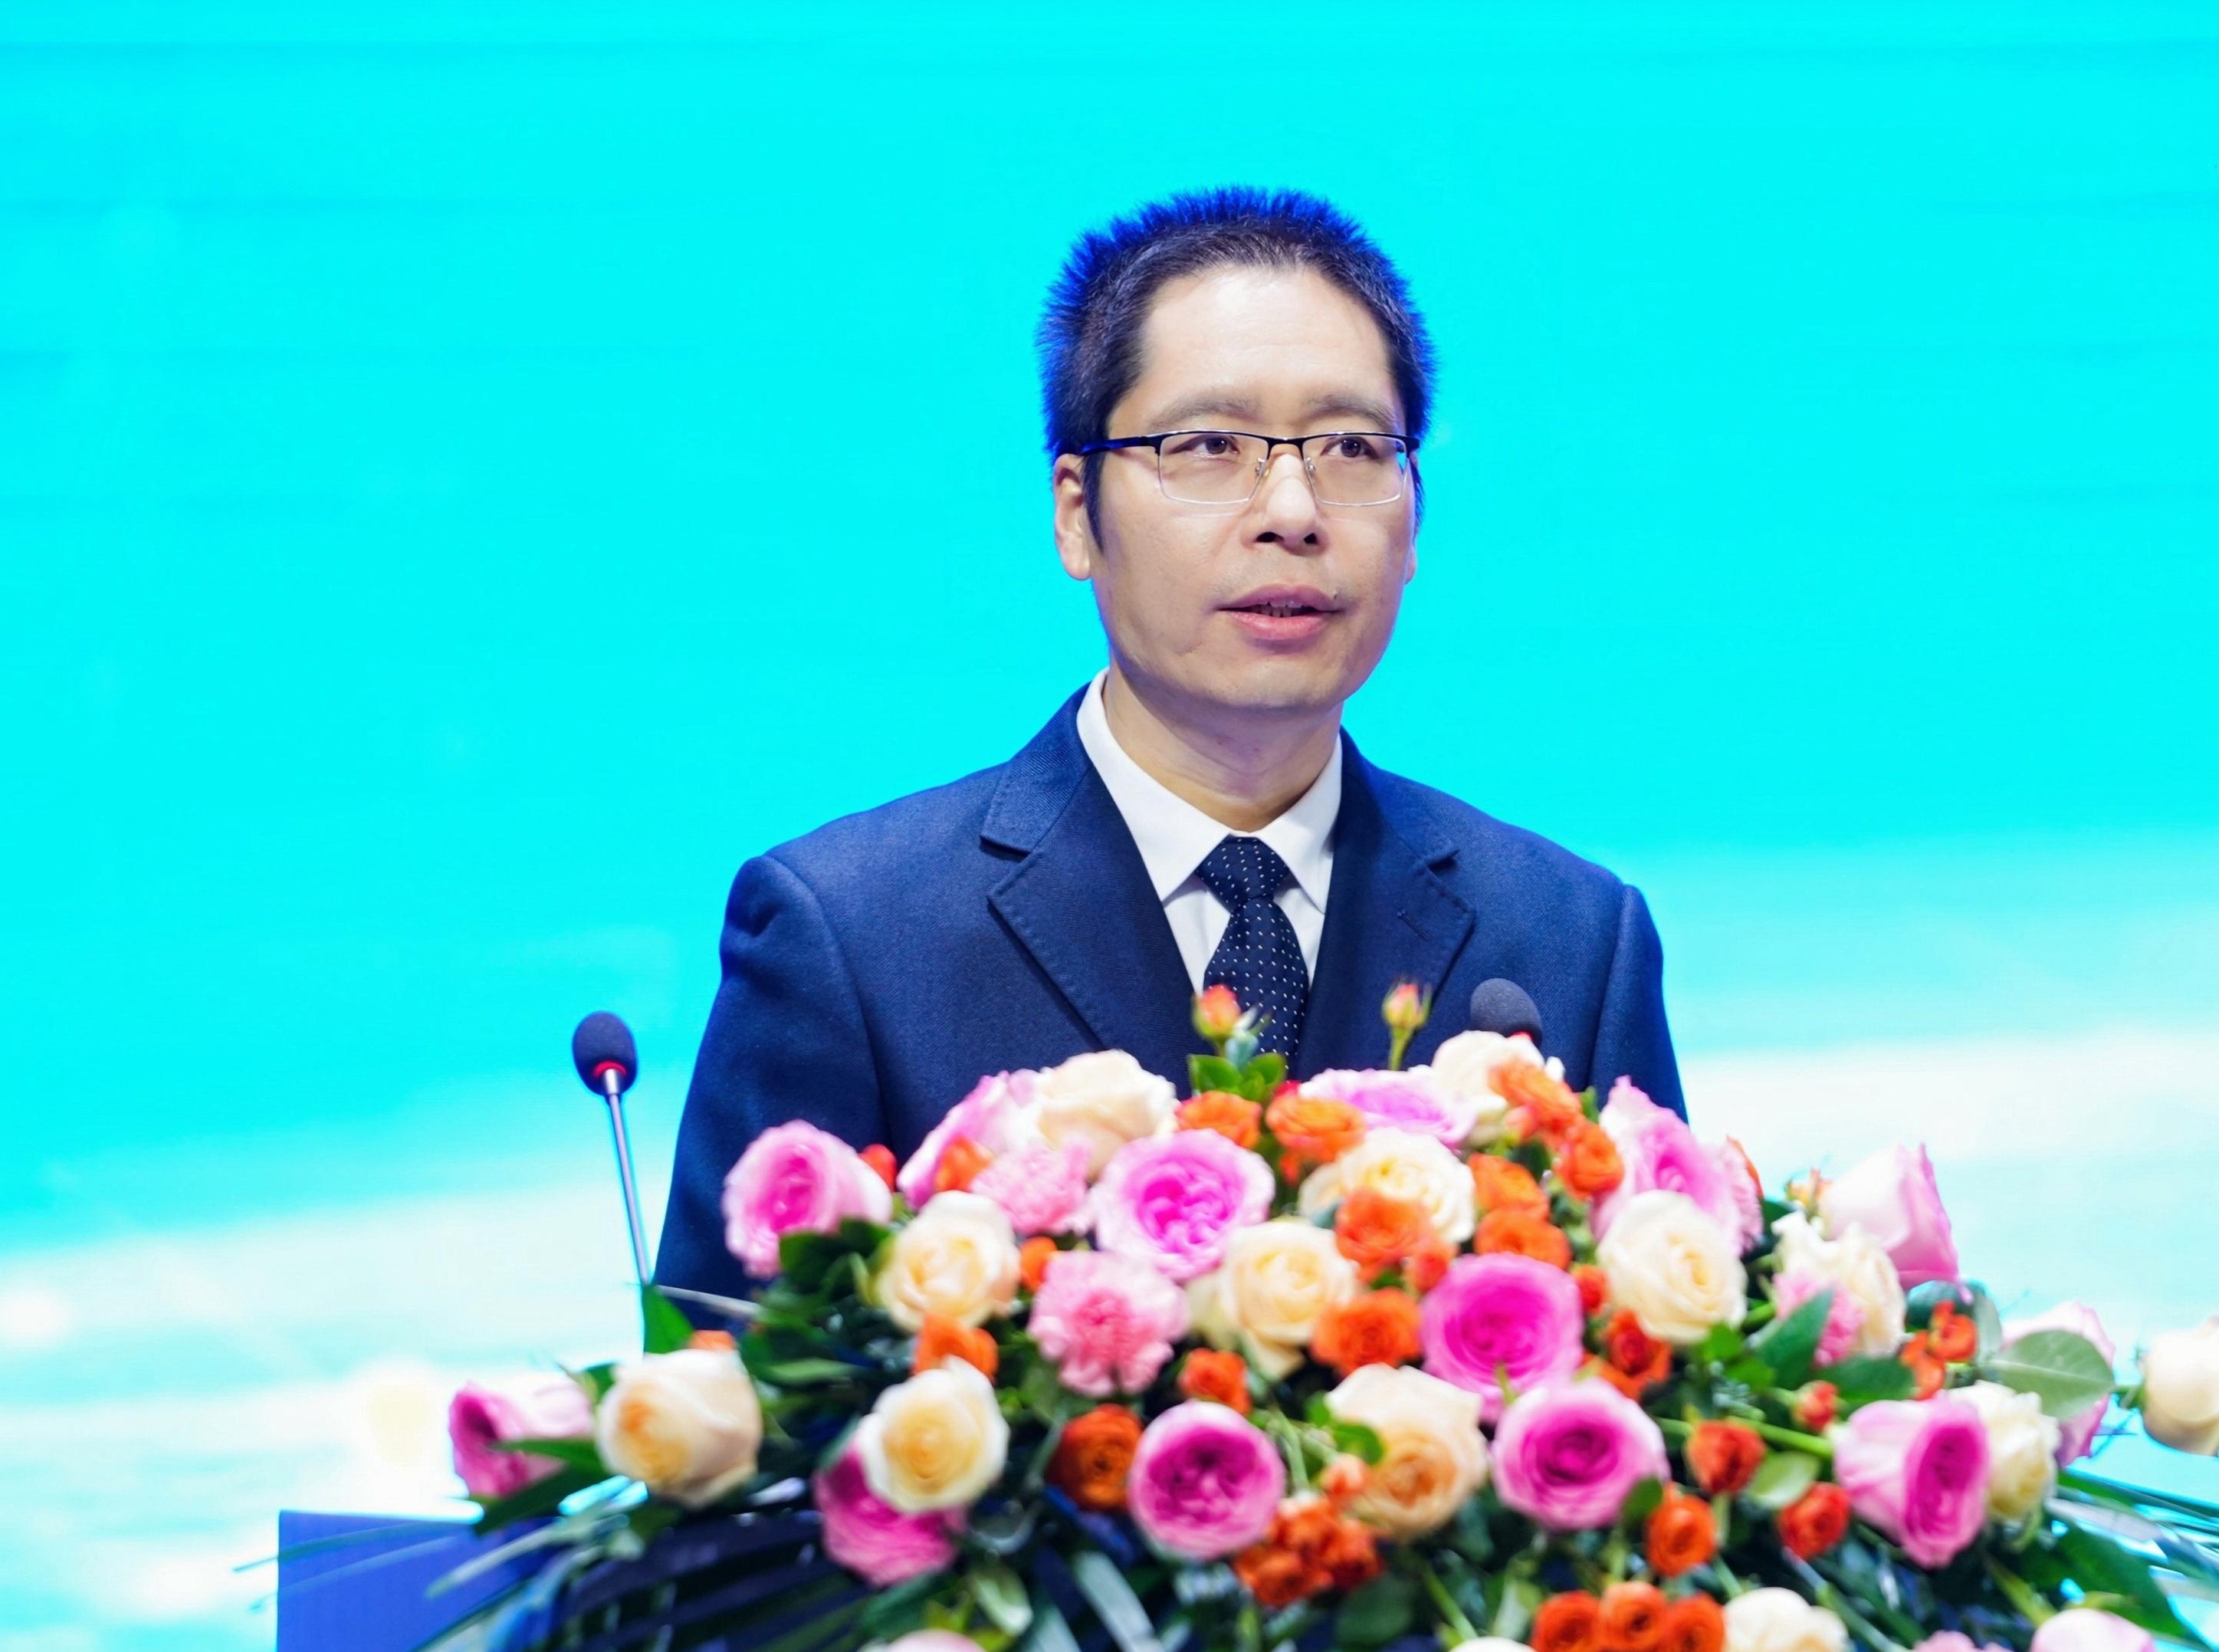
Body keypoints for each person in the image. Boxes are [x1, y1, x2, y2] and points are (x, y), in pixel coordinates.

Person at [654, 187, 1685, 1304]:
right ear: (1075, 512)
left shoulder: (1571, 940)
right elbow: (734, 1377)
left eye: (1351, 448)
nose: (1292, 510)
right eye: (1209, 446)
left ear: (1415, 519)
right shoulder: (851, 937)